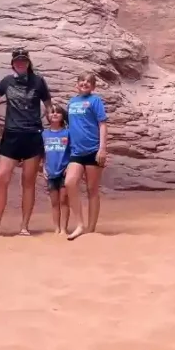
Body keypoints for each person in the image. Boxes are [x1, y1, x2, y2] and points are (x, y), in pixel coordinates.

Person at [0, 47, 53, 238]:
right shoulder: (6, 82)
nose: (21, 63)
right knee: (1, 178)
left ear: (28, 62)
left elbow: (48, 106)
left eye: (24, 60)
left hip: (32, 135)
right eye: (17, 61)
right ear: (13, 64)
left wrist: (54, 128)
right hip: (11, 136)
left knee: (28, 182)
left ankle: (24, 226)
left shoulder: (38, 82)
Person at [64, 72, 108, 240]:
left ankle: (91, 229)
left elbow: (102, 124)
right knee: (70, 183)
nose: (84, 83)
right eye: (81, 80)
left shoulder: (95, 101)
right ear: (77, 84)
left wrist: (102, 148)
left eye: (89, 82)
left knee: (92, 190)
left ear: (93, 86)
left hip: (93, 150)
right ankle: (80, 224)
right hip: (76, 151)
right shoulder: (72, 102)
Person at [42, 104, 71, 234]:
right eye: (52, 112)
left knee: (64, 200)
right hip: (51, 171)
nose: (54, 114)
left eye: (58, 112)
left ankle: (64, 228)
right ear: (47, 116)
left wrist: (70, 166)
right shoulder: (44, 134)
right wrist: (43, 168)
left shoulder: (67, 133)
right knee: (54, 202)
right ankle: (56, 228)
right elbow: (42, 153)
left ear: (62, 116)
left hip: (64, 171)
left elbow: (73, 151)